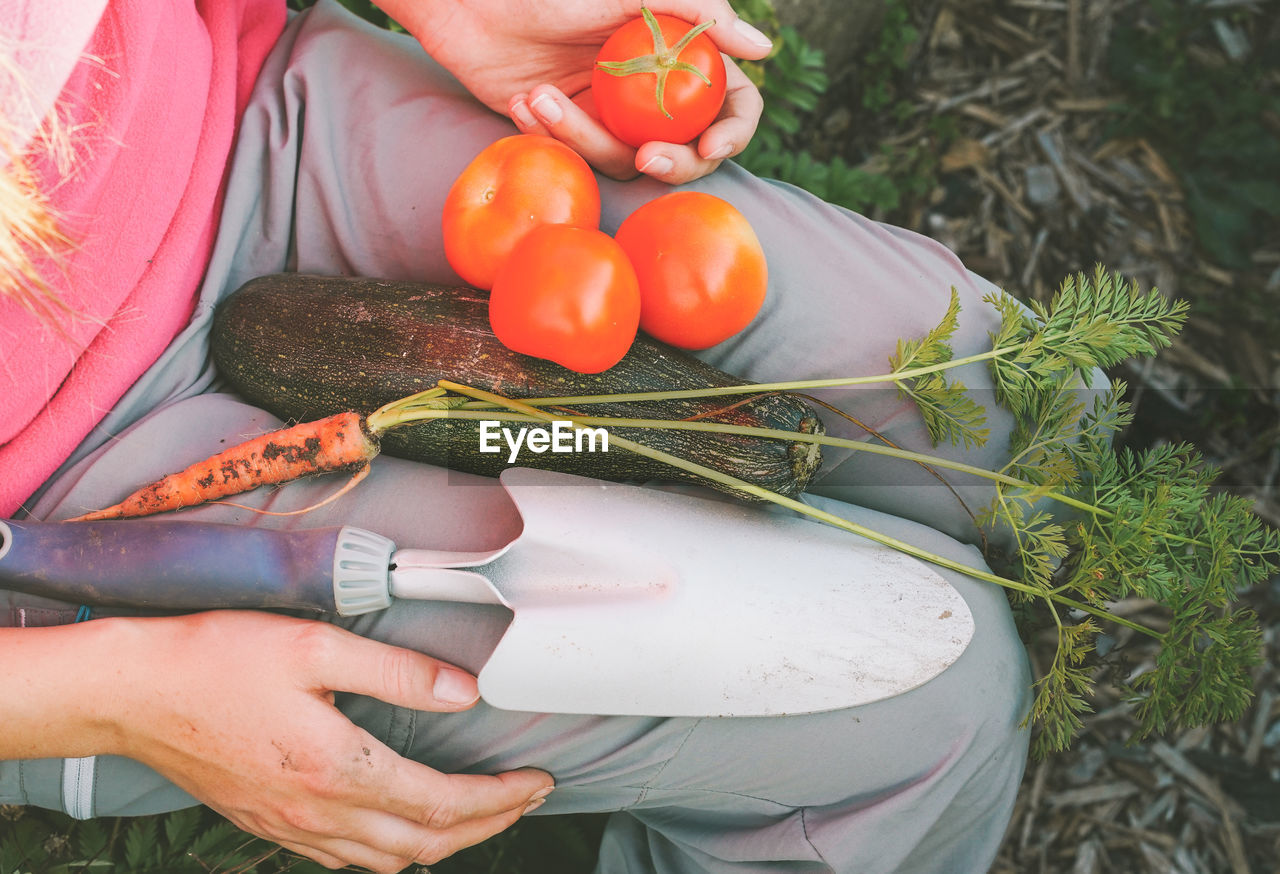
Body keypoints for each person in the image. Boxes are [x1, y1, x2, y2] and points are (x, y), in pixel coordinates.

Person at [0, 1, 1035, 871]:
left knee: (1001, 388)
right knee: (935, 702)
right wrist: (112, 696)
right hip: (62, 513)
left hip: (243, 108)